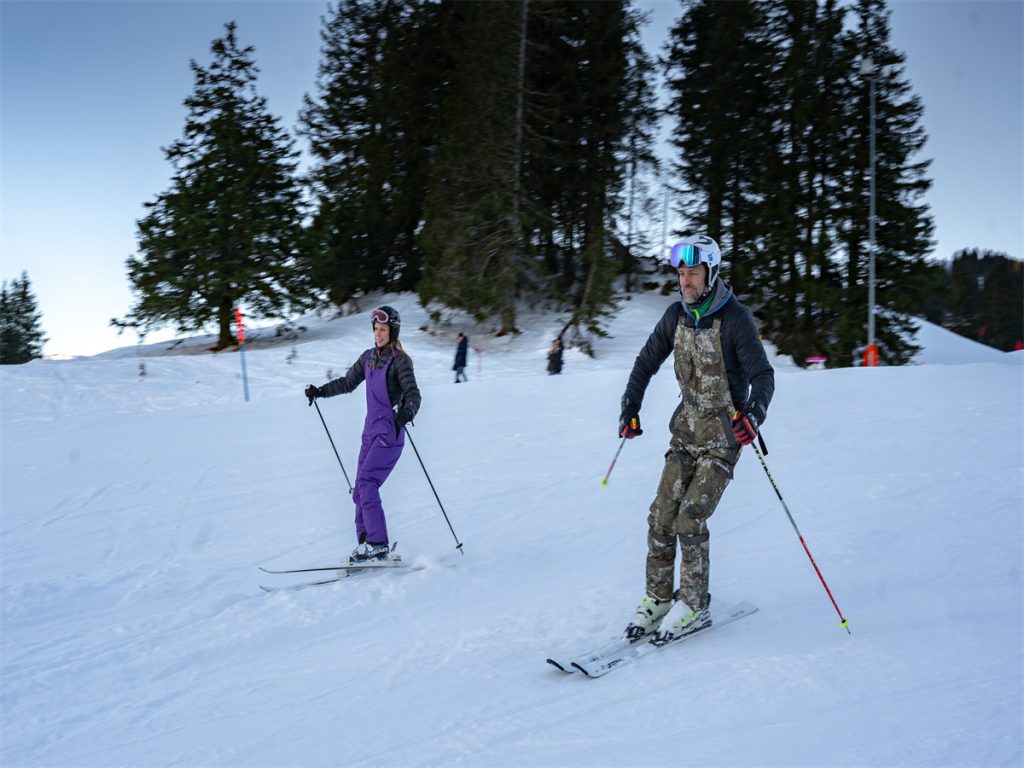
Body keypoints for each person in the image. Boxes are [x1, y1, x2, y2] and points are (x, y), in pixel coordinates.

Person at [618, 234, 774, 644]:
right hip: (685, 432)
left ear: (712, 272)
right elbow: (646, 361)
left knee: (690, 517)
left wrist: (753, 417)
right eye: (682, 273)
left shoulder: (735, 319)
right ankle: (657, 601)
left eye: (693, 272)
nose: (685, 280)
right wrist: (629, 407)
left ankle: (693, 604)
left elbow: (763, 376)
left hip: (724, 437)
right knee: (661, 516)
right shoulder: (676, 316)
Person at [304, 306, 421, 562]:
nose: (378, 334)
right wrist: (320, 391)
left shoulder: (400, 360)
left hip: (389, 433)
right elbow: (347, 383)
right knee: (359, 490)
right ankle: (366, 542)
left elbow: (413, 394)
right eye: (376, 329)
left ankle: (379, 544)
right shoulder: (368, 358)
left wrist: (407, 412)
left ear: (393, 331)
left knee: (367, 483)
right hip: (369, 432)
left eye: (383, 329)